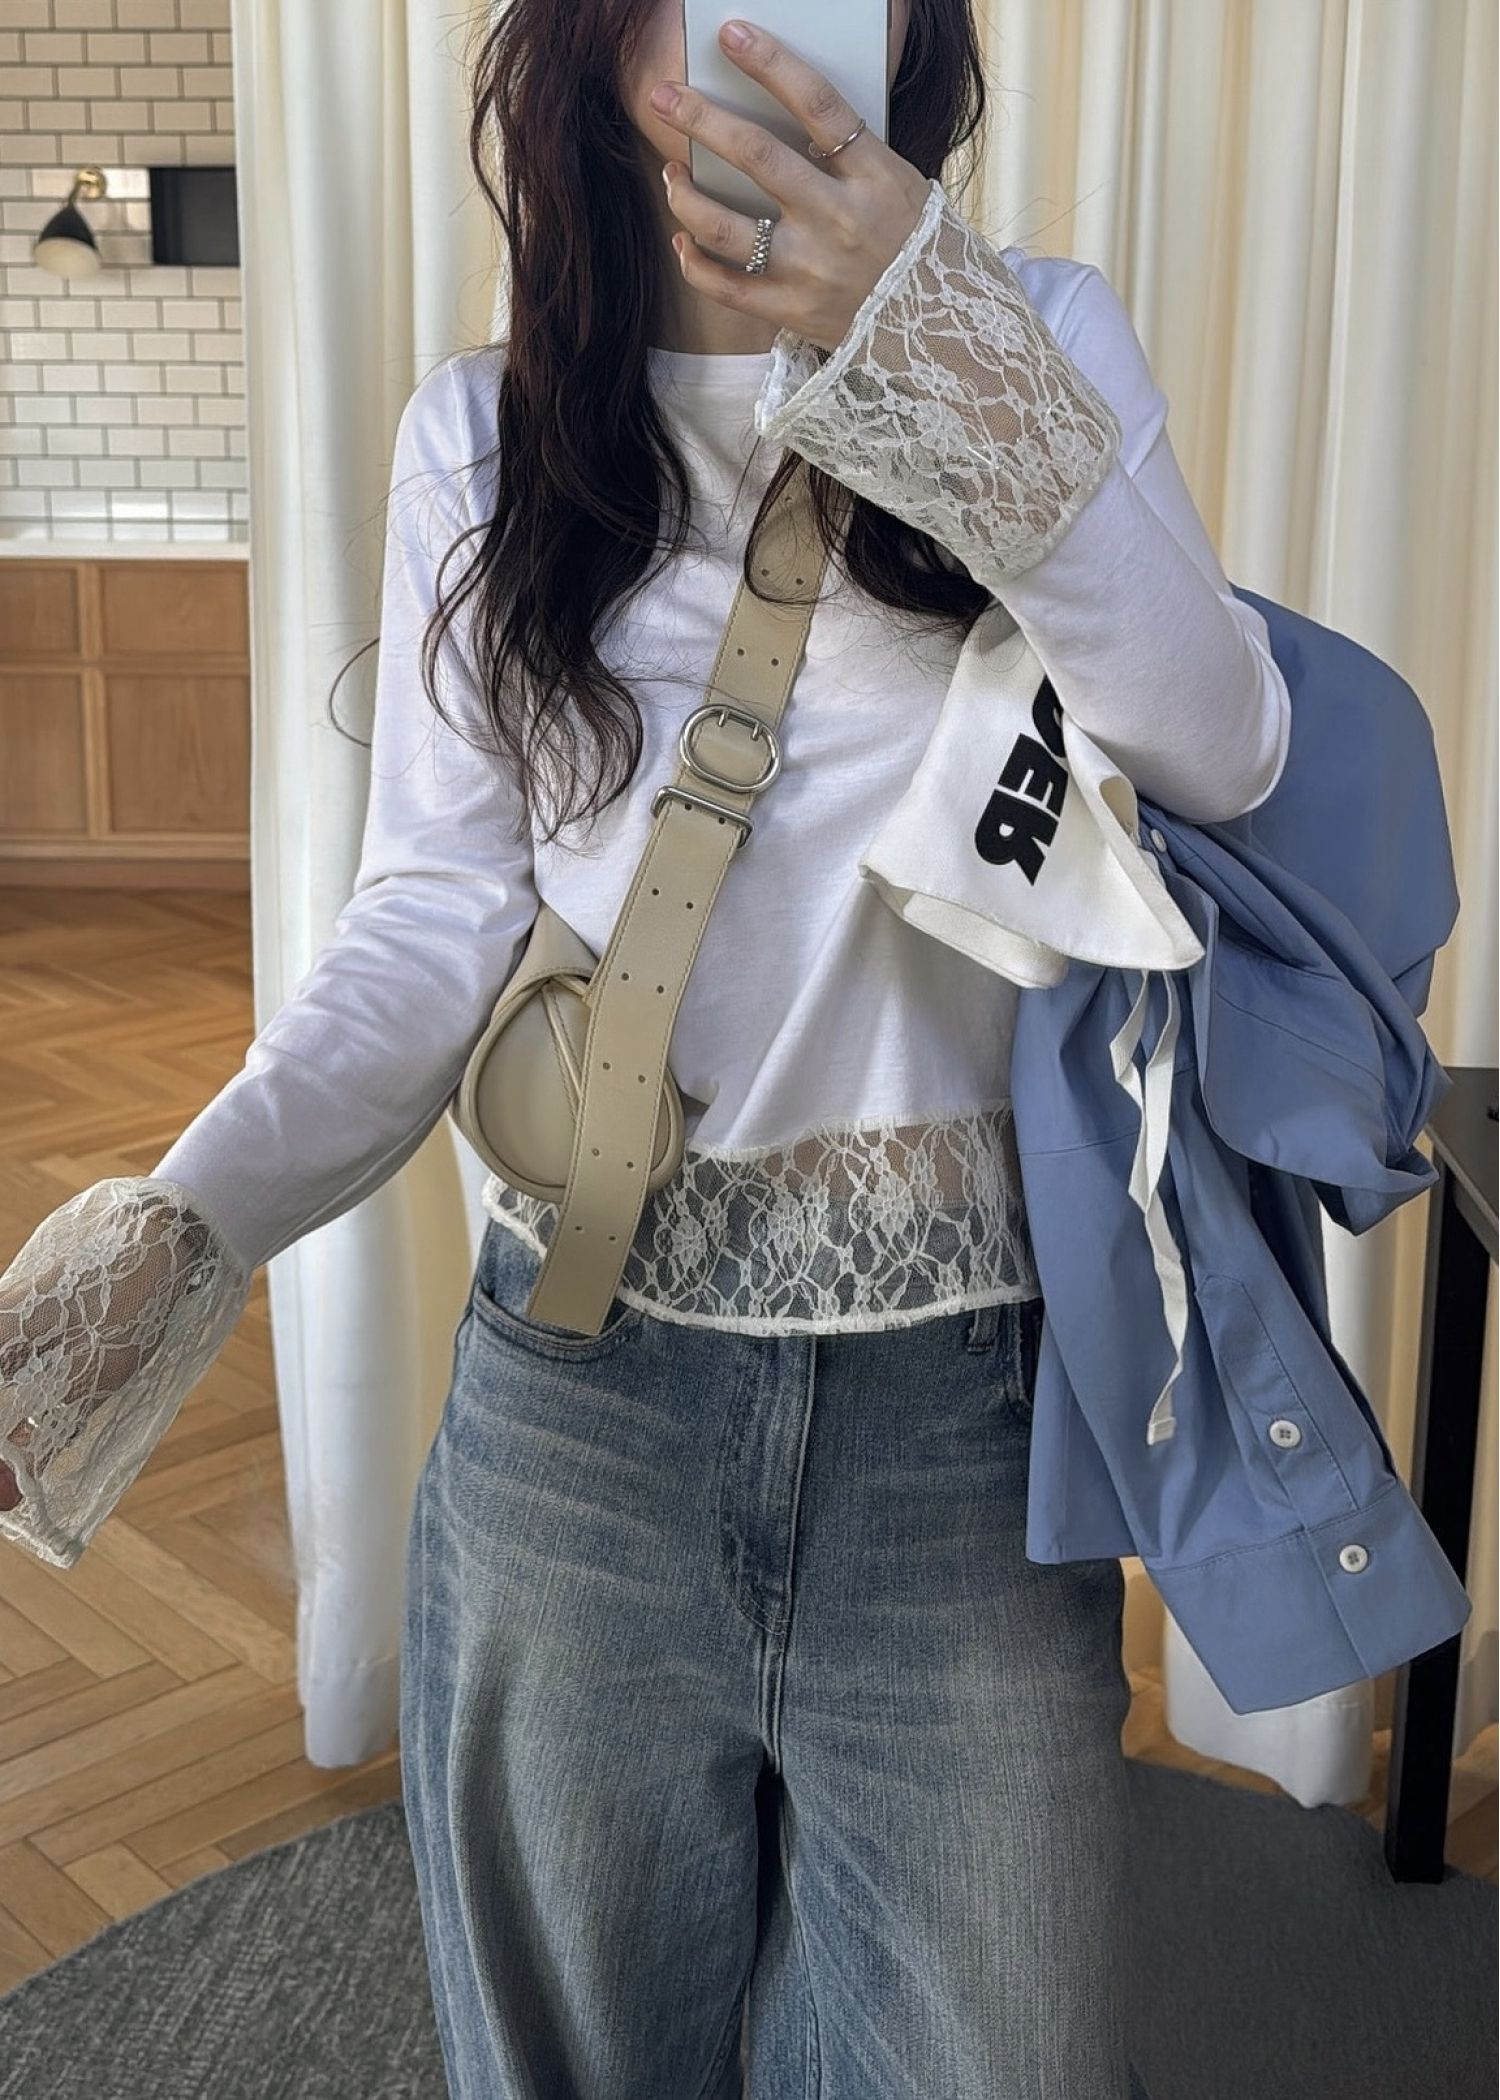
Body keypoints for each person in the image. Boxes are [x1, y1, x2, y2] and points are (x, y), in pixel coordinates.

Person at [0, 4, 1291, 2094]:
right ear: (593, 48)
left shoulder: (1036, 336)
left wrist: (920, 326)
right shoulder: (488, 434)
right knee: (570, 2056)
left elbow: (1222, 750)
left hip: (961, 1425)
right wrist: (173, 1233)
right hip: (580, 1409)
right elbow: (431, 925)